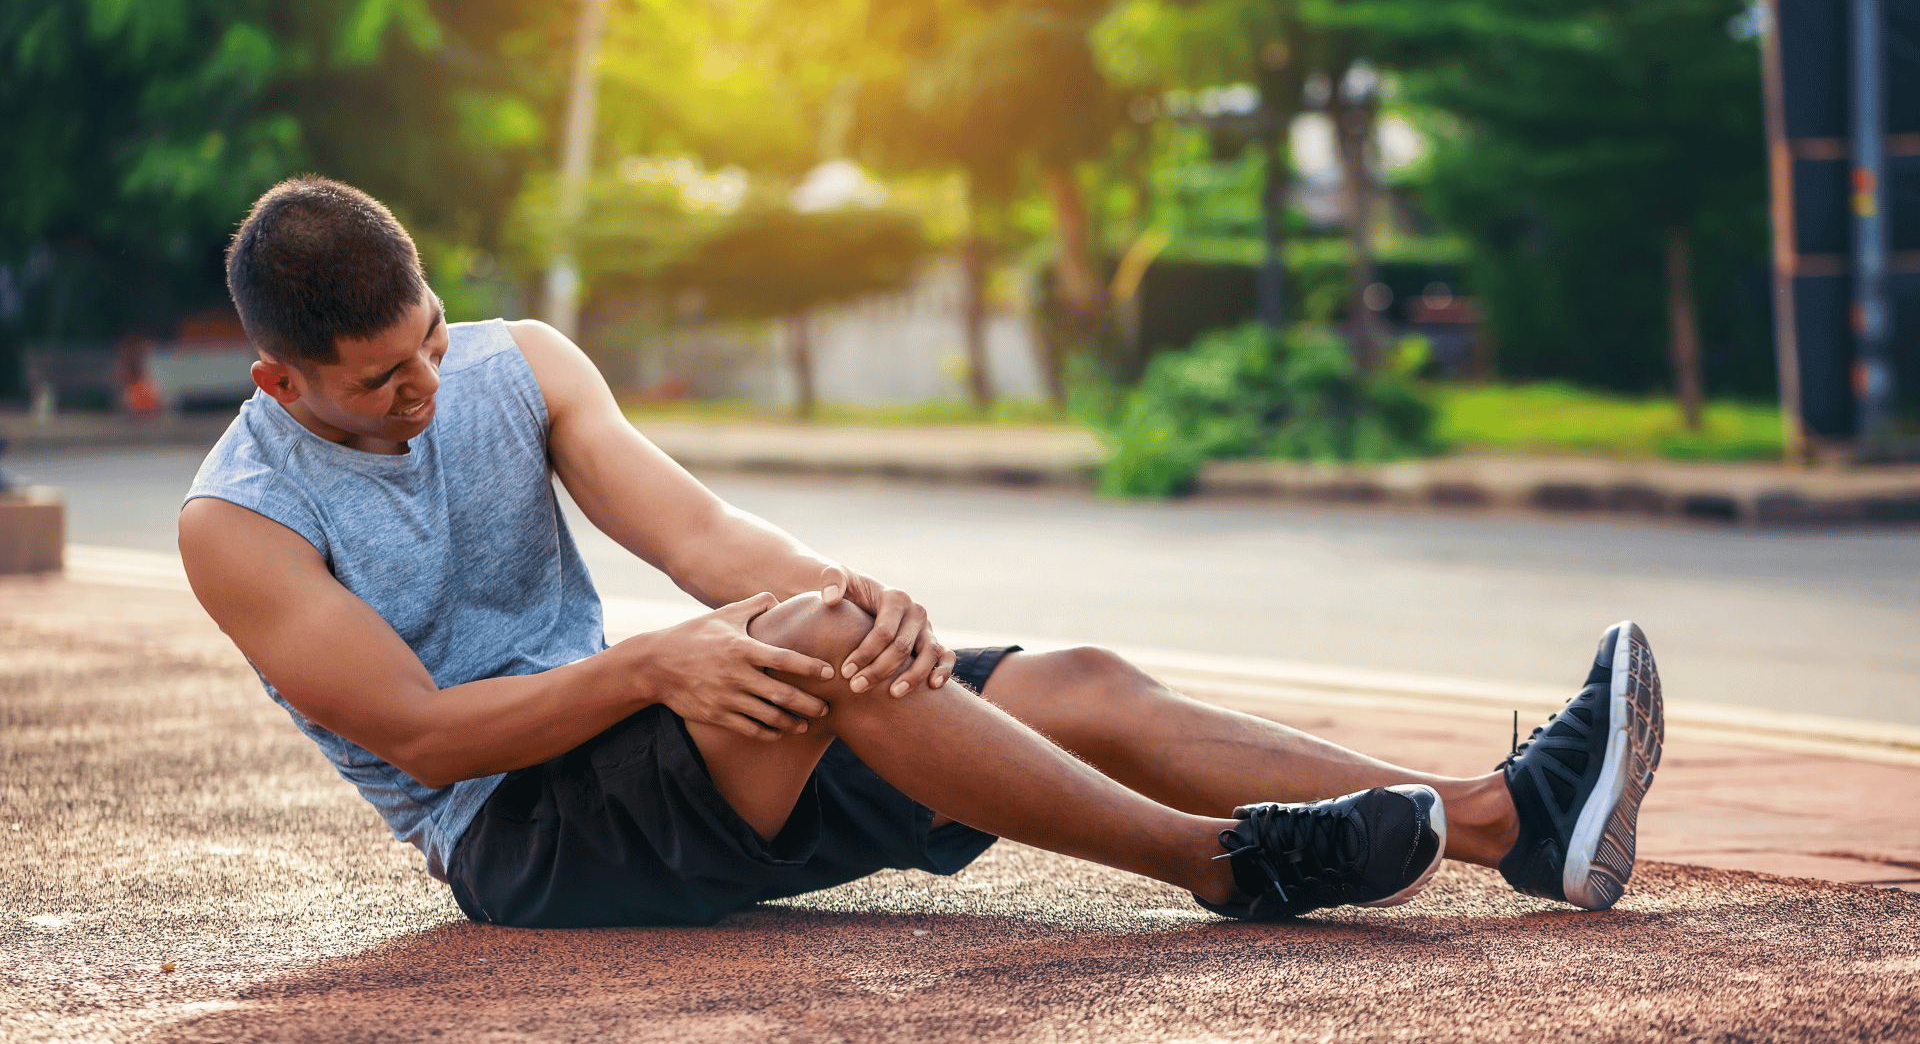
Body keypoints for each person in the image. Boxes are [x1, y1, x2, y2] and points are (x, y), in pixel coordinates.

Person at [179, 176, 1664, 928]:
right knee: (812, 650)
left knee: (1065, 676)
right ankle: (1223, 867)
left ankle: (1507, 826)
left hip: (684, 744)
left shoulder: (525, 365)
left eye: (431, 338)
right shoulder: (238, 522)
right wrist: (653, 669)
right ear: (284, 381)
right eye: (383, 381)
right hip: (528, 837)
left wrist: (849, 594)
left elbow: (701, 536)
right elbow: (430, 742)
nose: (428, 387)